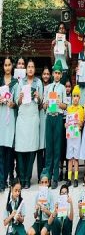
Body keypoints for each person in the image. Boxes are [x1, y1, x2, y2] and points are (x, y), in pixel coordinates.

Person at [15, 59, 42, 189]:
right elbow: (17, 102)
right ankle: (22, 177)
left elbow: (42, 104)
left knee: (31, 150)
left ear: (35, 69)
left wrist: (39, 96)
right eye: (28, 66)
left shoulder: (39, 82)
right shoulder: (21, 82)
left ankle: (28, 179)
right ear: (26, 69)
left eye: (32, 66)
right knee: (20, 149)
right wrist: (19, 98)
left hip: (32, 118)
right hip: (22, 118)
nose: (30, 69)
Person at [43, 60, 68, 189]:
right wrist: (45, 104)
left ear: (61, 75)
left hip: (58, 117)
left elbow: (66, 106)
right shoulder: (47, 88)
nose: (57, 75)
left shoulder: (63, 88)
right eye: (55, 73)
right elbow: (43, 105)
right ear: (52, 74)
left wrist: (59, 103)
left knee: (57, 147)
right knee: (49, 148)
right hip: (49, 117)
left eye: (59, 73)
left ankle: (55, 178)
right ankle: (47, 175)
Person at [0, 58, 18, 191]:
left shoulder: (15, 83)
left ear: (12, 66)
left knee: (10, 153)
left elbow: (18, 101)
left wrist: (13, 104)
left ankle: (11, 178)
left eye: (9, 65)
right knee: (1, 152)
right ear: (3, 67)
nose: (7, 67)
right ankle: (1, 180)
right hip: (1, 119)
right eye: (5, 65)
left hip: (11, 119)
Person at [65, 85, 84, 188]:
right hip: (69, 136)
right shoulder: (69, 108)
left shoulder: (81, 109)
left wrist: (79, 124)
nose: (75, 98)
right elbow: (67, 122)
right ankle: (69, 178)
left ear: (79, 98)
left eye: (77, 96)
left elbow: (81, 123)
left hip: (77, 136)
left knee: (75, 158)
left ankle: (76, 178)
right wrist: (66, 125)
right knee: (69, 158)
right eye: (74, 96)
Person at [27, 170, 55, 235]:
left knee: (43, 232)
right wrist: (36, 210)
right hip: (38, 221)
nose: (44, 184)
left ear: (48, 183)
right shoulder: (37, 195)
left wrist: (45, 210)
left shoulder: (50, 195)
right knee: (30, 232)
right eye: (42, 182)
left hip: (47, 221)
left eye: (46, 182)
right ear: (40, 183)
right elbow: (35, 216)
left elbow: (52, 215)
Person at [37, 67, 51, 183]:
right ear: (42, 75)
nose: (46, 76)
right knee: (40, 147)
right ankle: (39, 175)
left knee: (47, 147)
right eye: (44, 74)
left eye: (48, 74)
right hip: (40, 117)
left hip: (49, 117)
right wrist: (42, 104)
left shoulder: (52, 87)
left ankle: (47, 174)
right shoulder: (38, 86)